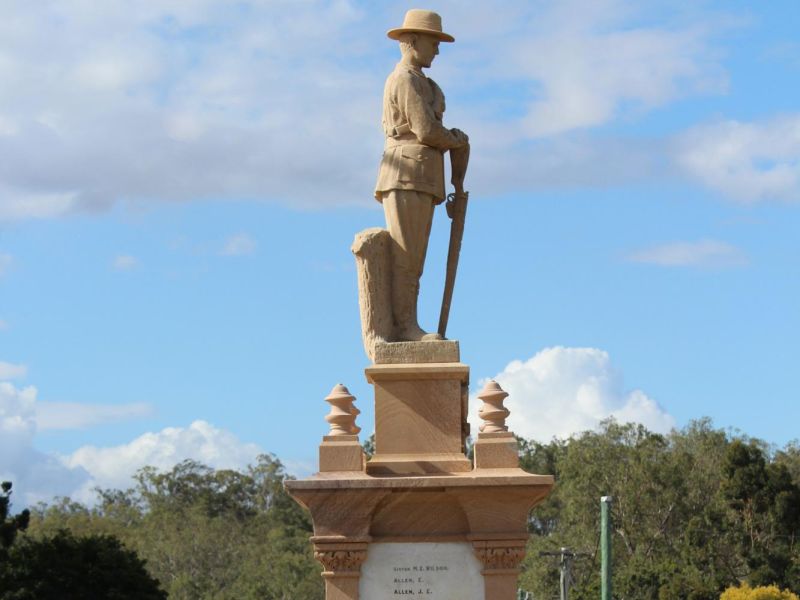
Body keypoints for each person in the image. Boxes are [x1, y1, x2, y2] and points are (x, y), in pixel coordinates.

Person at [375, 9, 469, 342]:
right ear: (412, 41)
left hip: (421, 175)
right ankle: (405, 327)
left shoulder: (421, 81)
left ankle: (408, 324)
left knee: (415, 259)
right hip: (405, 173)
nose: (437, 50)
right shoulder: (404, 78)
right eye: (433, 42)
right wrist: (457, 139)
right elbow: (426, 129)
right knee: (406, 256)